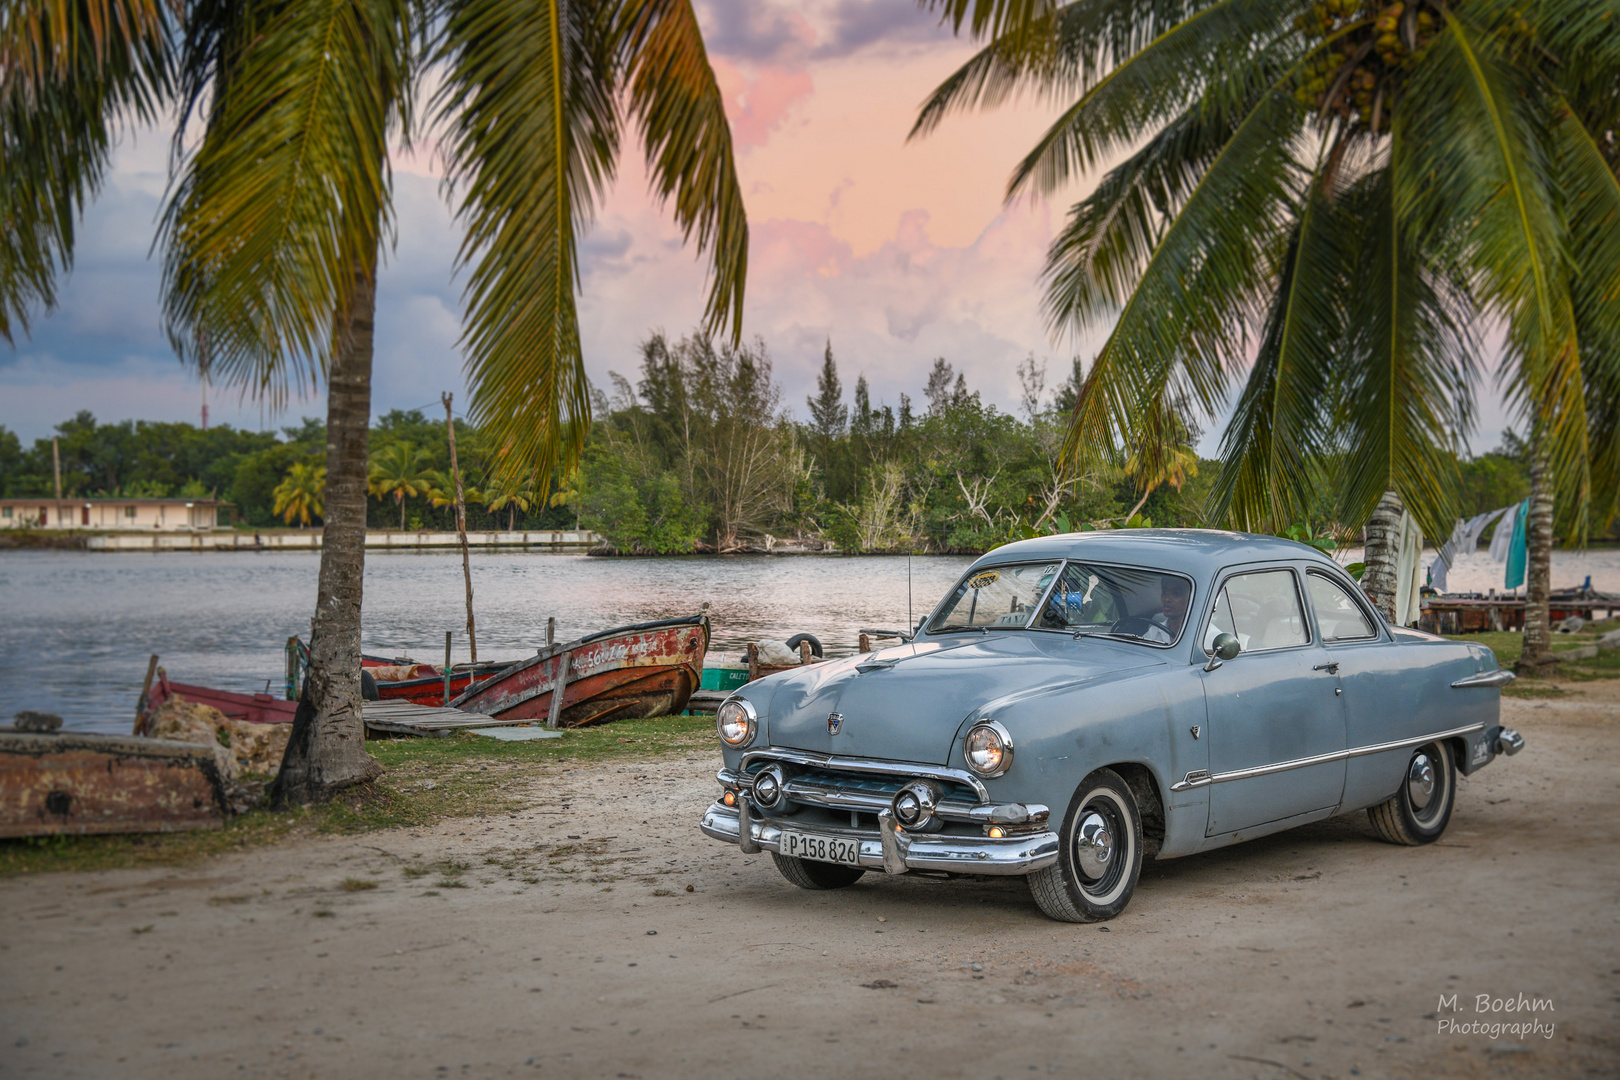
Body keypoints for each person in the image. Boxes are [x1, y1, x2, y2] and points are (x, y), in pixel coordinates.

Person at [1141, 575, 1192, 644]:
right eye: (1164, 592)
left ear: (1191, 598)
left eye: (1176, 594)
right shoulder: (1154, 631)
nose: (1167, 599)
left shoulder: (1205, 636)